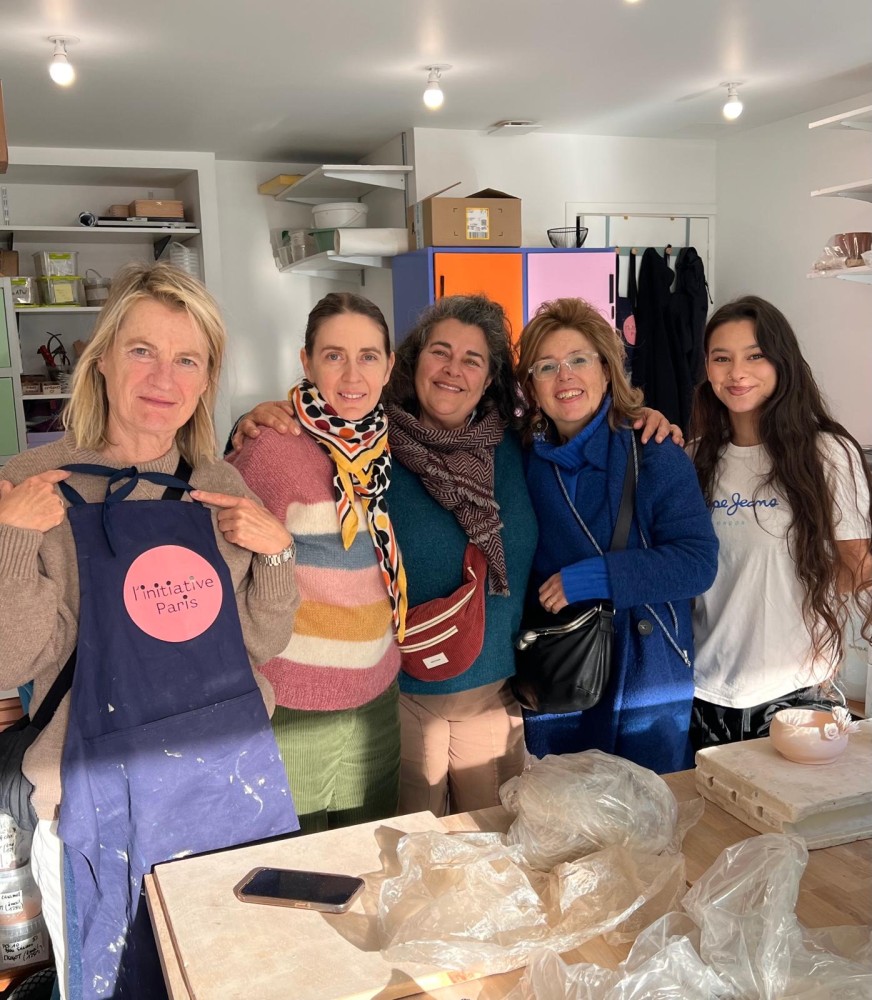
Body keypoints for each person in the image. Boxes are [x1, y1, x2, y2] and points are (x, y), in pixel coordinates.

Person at [232, 293, 679, 814]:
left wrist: (637, 415)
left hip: (495, 697)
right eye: (440, 352)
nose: (453, 370)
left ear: (489, 378)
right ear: (411, 362)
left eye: (473, 359)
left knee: (491, 844)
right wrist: (252, 419)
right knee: (406, 847)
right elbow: (294, 446)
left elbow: (584, 434)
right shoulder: (367, 444)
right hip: (397, 698)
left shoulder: (520, 447)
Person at [0, 262, 300, 999]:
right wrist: (10, 536)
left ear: (206, 380)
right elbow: (11, 660)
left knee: (232, 975)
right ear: (102, 359)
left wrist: (278, 554)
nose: (164, 377)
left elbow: (259, 645)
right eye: (142, 350)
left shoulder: (220, 485)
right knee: (113, 984)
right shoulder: (33, 482)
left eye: (187, 359)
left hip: (221, 779)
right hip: (91, 794)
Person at [228, 292, 406, 833]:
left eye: (368, 356)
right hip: (294, 702)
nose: (352, 375)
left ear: (389, 366)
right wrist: (241, 426)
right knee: (298, 861)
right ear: (306, 362)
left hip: (377, 694)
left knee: (371, 851)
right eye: (334, 356)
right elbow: (226, 566)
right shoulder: (272, 446)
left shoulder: (389, 444)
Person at [517, 297, 718, 774]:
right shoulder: (522, 460)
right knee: (562, 804)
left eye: (579, 360)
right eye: (547, 367)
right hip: (561, 668)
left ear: (607, 371)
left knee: (646, 806)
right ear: (532, 387)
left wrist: (596, 577)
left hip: (646, 672)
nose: (565, 377)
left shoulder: (653, 450)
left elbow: (697, 562)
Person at [688, 295, 872, 749]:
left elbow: (857, 567)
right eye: (721, 358)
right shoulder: (693, 458)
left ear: (781, 361)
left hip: (796, 691)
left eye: (755, 356)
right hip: (702, 688)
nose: (737, 373)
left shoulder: (826, 454)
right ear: (707, 368)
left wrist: (798, 585)